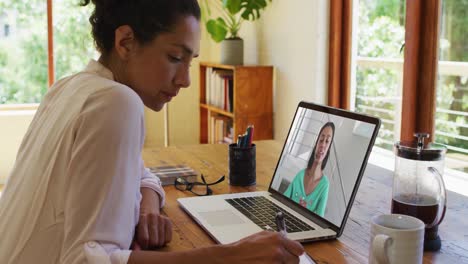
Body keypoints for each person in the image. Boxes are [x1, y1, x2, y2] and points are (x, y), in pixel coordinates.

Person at [0, 1, 304, 263]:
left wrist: (147, 207)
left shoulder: (69, 87)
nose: (185, 80)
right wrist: (233, 256)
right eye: (174, 58)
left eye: (190, 61)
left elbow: (140, 171)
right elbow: (85, 260)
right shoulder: (117, 102)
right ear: (126, 42)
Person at [283, 122, 335, 217]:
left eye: (327, 141)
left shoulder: (324, 185)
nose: (323, 144)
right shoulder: (300, 175)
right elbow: (282, 200)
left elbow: (319, 219)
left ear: (329, 149)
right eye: (321, 139)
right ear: (316, 143)